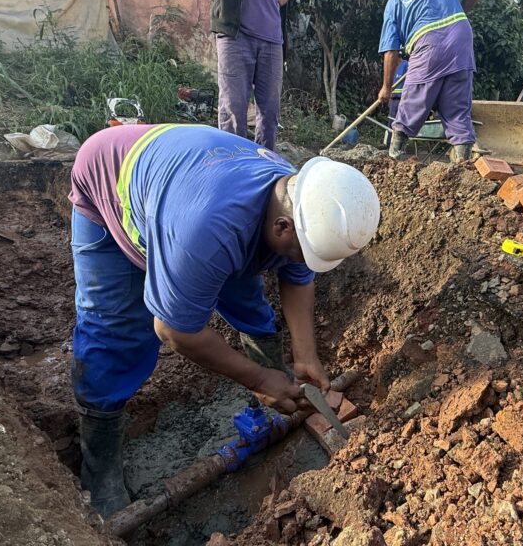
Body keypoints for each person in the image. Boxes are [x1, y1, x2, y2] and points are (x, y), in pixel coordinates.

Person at [67, 124, 381, 516]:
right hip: (110, 183)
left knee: (249, 300)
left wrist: (306, 357)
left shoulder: (294, 196)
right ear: (282, 228)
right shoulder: (206, 231)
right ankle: (100, 469)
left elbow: (297, 275)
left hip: (189, 182)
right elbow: (174, 330)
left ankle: (277, 385)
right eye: (303, 252)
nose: (302, 262)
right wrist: (259, 380)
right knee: (116, 333)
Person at [377, 0, 485, 162]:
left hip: (427, 44)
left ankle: (394, 159)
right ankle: (461, 165)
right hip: (460, 38)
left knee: (414, 98)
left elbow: (391, 52)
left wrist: (386, 87)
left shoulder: (394, 3)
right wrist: (461, 12)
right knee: (457, 107)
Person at [205, 0, 310, 150]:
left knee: (270, 111)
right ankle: (233, 166)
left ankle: (264, 166)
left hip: (272, 40)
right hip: (235, 34)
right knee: (233, 106)